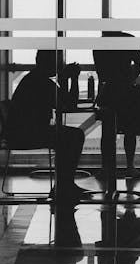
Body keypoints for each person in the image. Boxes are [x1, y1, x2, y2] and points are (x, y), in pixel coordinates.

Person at [6, 50, 87, 203]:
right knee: (74, 136)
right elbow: (68, 104)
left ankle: (64, 184)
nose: (59, 66)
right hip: (28, 134)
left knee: (69, 136)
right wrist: (70, 79)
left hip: (22, 132)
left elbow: (63, 103)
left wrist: (64, 79)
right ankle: (65, 184)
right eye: (57, 63)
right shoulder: (41, 82)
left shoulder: (34, 79)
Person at [93, 32, 140, 179]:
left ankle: (106, 168)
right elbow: (139, 64)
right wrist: (130, 78)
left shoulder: (99, 43)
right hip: (127, 90)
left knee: (107, 132)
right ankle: (130, 166)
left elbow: (100, 71)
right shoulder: (129, 39)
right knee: (130, 130)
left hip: (109, 91)